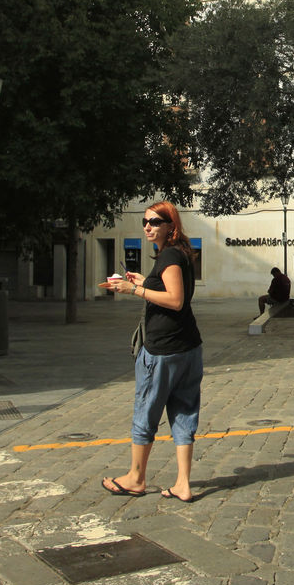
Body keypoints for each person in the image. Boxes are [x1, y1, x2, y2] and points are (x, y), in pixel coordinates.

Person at [102, 201, 203, 503]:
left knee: (146, 411)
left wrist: (133, 290)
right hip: (188, 347)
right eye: (146, 221)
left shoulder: (170, 254)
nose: (148, 226)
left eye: (156, 222)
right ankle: (182, 484)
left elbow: (175, 300)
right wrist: (143, 281)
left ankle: (135, 478)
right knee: (184, 413)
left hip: (163, 350)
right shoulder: (179, 253)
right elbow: (171, 290)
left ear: (171, 225)